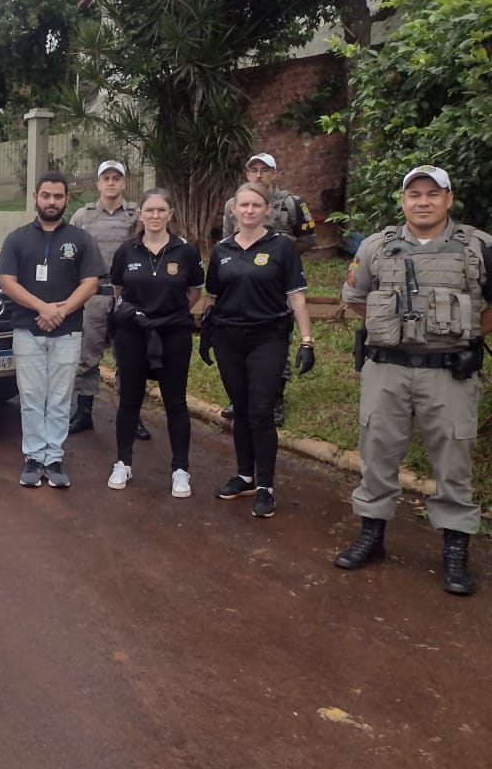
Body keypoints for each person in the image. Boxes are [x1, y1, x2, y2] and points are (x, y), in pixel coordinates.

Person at [334, 166, 492, 595]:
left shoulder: (478, 247)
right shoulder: (377, 247)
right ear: (403, 200)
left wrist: (462, 334)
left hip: (449, 373)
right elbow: (356, 300)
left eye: (432, 193)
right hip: (387, 369)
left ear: (448, 198)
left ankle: (455, 551)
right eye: (414, 194)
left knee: (453, 462)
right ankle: (372, 535)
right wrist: (397, 331)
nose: (422, 201)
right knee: (377, 452)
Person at [200, 181, 315, 518]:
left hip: (268, 338)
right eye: (243, 205)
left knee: (262, 411)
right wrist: (206, 333)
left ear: (267, 210)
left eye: (255, 205)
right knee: (241, 409)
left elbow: (296, 298)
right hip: (228, 339)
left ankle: (265, 485)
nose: (248, 211)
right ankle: (245, 476)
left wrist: (307, 341)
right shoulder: (221, 250)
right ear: (233, 210)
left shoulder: (282, 248)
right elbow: (212, 298)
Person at [0, 171, 105, 488]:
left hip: (67, 332)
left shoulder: (80, 240)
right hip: (27, 331)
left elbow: (90, 283)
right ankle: (33, 457)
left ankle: (54, 458)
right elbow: (7, 282)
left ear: (67, 199)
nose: (52, 201)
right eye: (46, 195)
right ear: (35, 198)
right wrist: (43, 308)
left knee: (58, 399)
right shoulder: (17, 239)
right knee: (31, 398)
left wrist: (61, 311)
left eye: (58, 196)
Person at [107, 189, 204, 496]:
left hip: (173, 332)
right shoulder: (127, 251)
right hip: (132, 333)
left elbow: (194, 292)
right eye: (149, 210)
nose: (155, 216)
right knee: (129, 400)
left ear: (170, 215)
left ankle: (180, 469)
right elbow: (119, 291)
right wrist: (140, 318)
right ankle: (123, 462)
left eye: (161, 210)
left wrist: (167, 316)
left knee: (175, 402)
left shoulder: (185, 252)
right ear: (141, 214)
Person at [220, 153, 317, 425]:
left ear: (275, 174)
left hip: (278, 281)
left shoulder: (292, 203)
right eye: (254, 170)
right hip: (242, 280)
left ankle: (275, 396)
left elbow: (309, 238)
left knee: (276, 333)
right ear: (247, 173)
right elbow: (228, 240)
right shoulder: (233, 204)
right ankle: (238, 395)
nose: (259, 175)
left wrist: (281, 259)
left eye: (265, 170)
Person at [69, 160, 148, 440]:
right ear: (98, 183)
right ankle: (83, 413)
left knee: (129, 360)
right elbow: (71, 253)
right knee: (87, 357)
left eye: (117, 178)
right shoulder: (83, 216)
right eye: (106, 178)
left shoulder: (137, 216)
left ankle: (132, 416)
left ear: (124, 183)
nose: (111, 183)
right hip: (94, 297)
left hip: (128, 298)